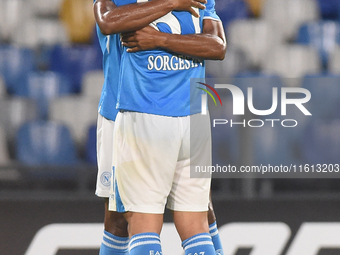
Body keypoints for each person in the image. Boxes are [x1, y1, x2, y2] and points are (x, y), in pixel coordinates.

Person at [93, 0, 226, 254]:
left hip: (146, 110)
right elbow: (108, 21)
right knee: (119, 218)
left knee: (160, 216)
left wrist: (160, 38)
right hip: (117, 108)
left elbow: (218, 45)